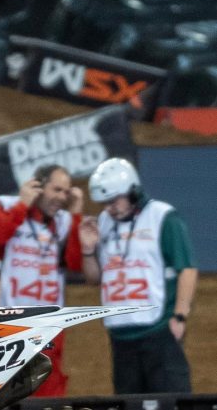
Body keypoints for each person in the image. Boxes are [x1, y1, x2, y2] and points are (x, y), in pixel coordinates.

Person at [79, 157, 197, 394]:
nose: (108, 208)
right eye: (104, 203)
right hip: (120, 336)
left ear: (132, 191)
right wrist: (88, 250)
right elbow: (94, 279)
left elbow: (187, 268)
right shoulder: (103, 223)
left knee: (170, 405)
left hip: (159, 329)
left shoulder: (162, 216)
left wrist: (180, 315)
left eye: (113, 201)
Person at [0, 164, 84, 396]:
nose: (62, 197)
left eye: (66, 192)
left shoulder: (65, 220)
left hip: (51, 324)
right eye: (56, 190)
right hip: (12, 322)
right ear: (37, 186)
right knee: (7, 391)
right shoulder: (4, 205)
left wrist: (76, 214)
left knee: (49, 391)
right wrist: (22, 205)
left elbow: (75, 264)